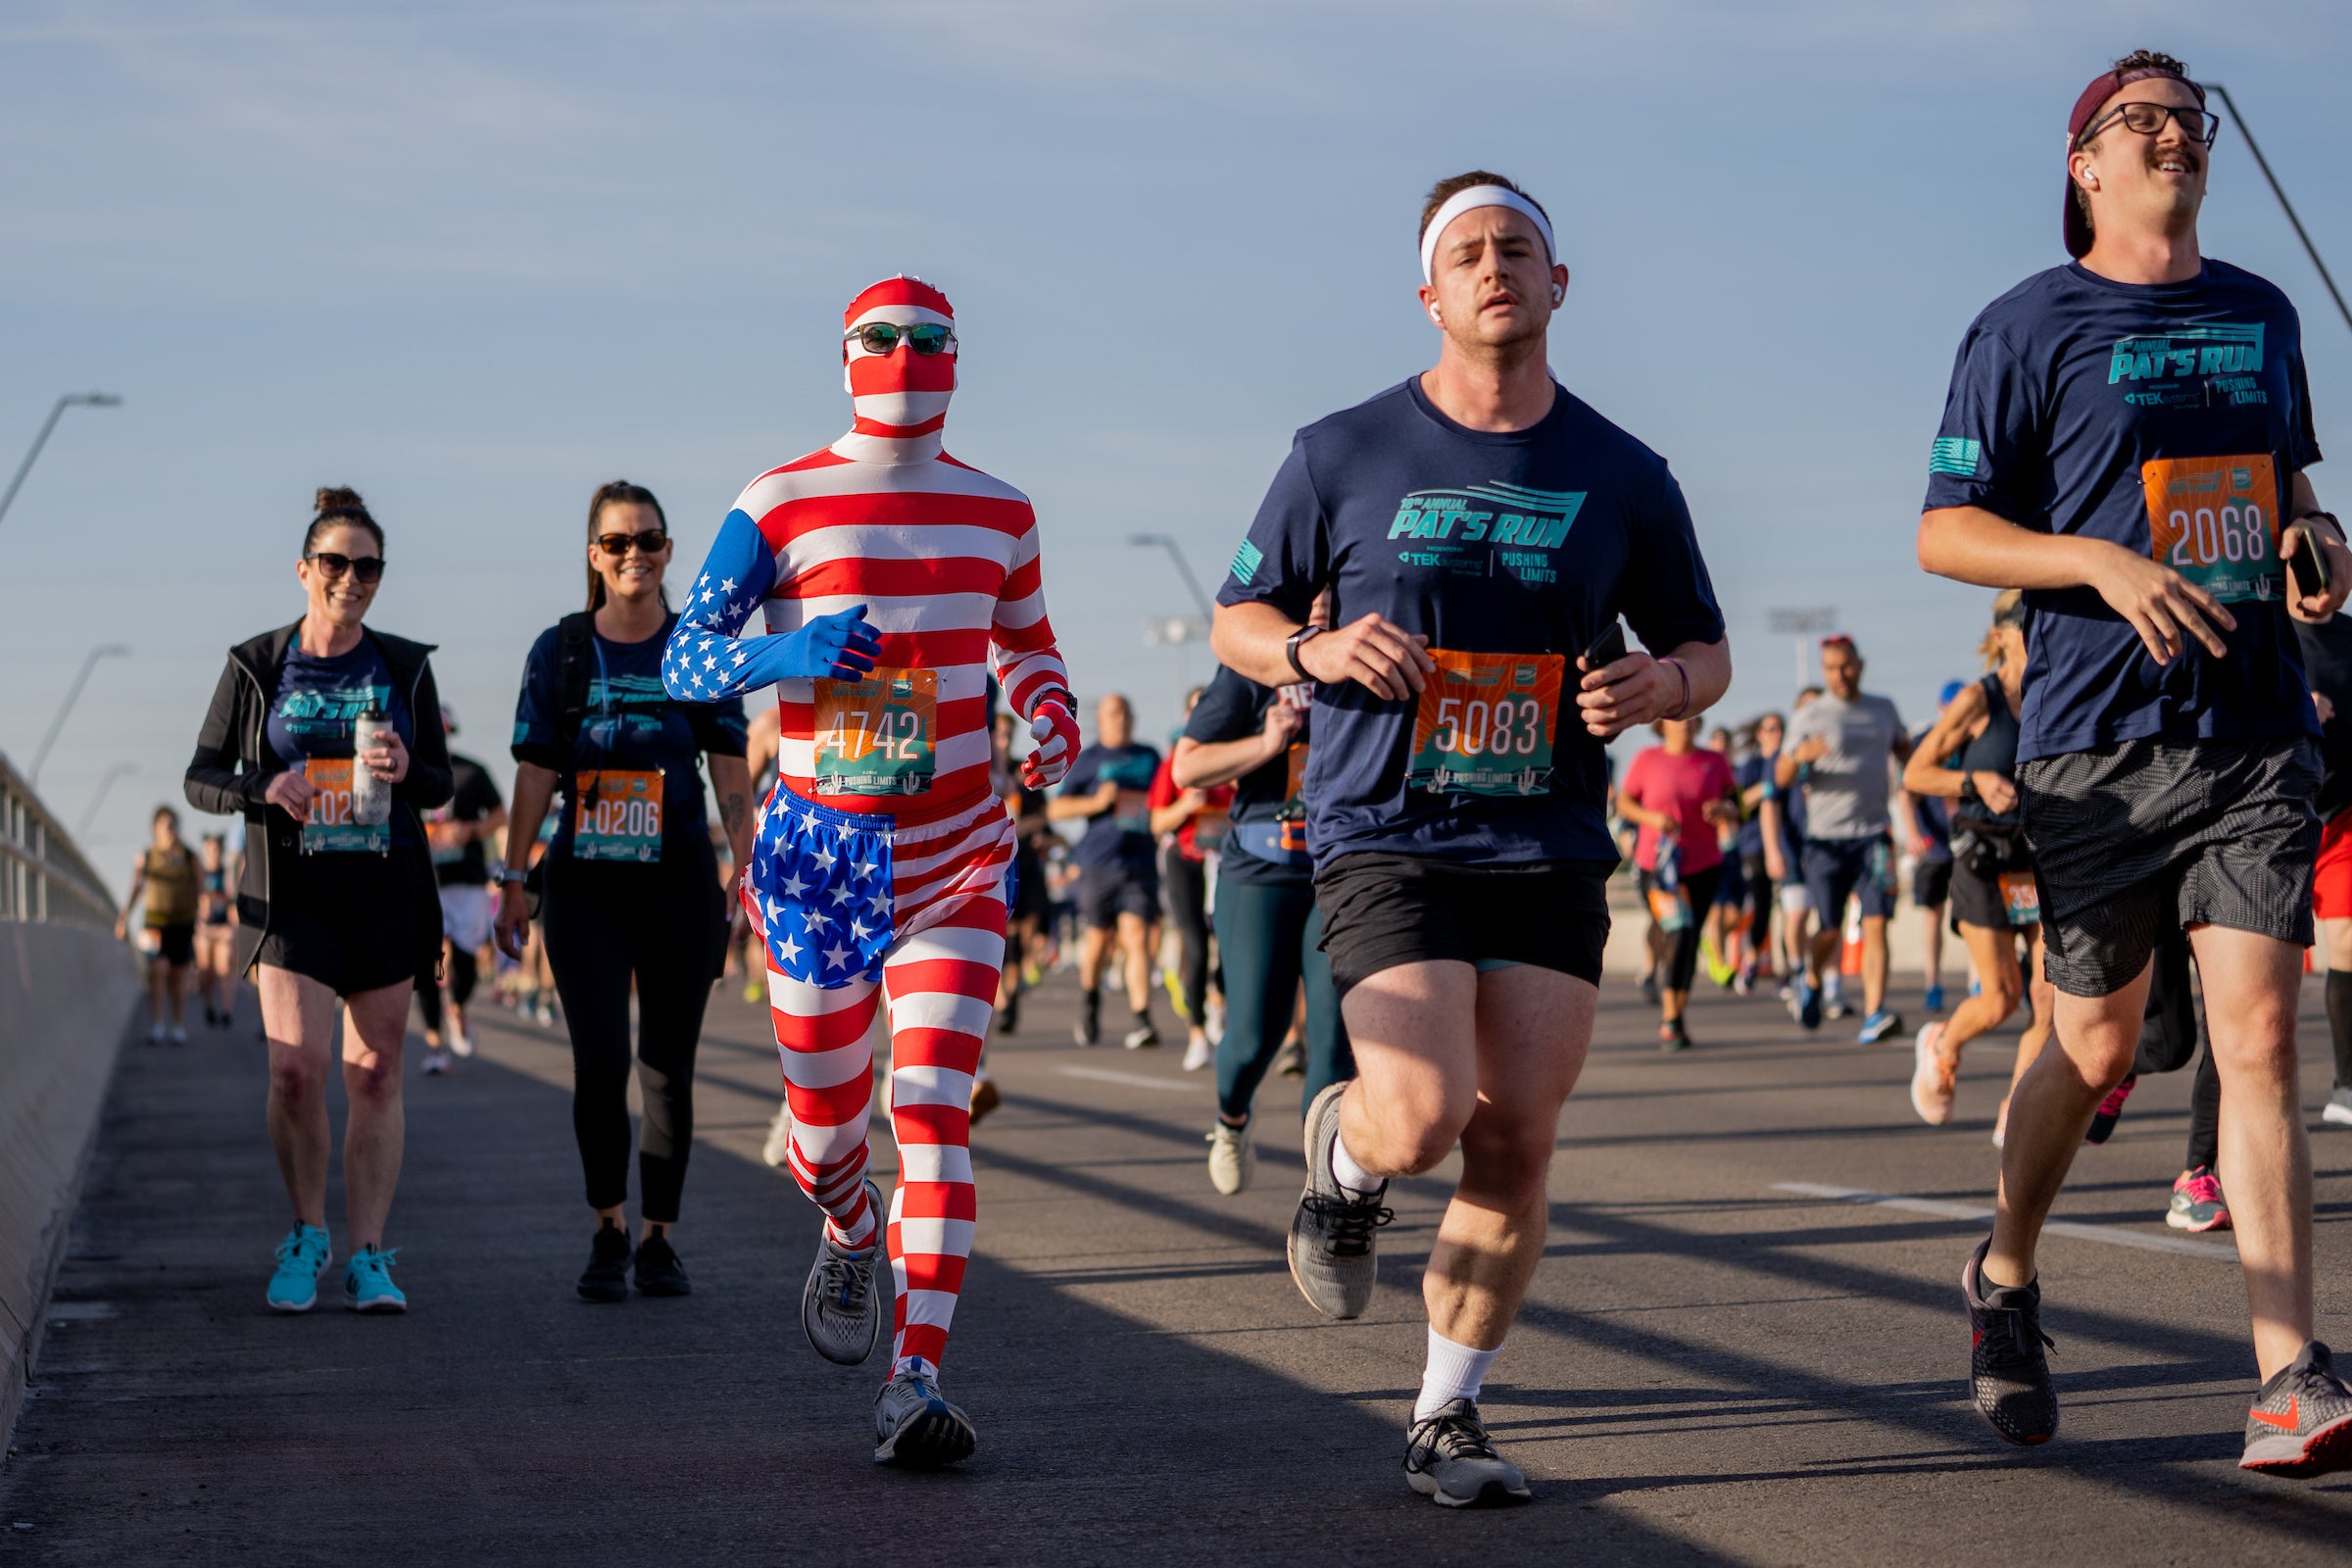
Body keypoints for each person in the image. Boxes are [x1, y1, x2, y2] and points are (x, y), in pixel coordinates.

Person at [1210, 171, 1729, 1506]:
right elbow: (1238, 621)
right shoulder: (1342, 451)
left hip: (1547, 839)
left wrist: (1660, 687)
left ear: (1560, 286)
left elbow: (1703, 647)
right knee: (1424, 1116)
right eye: (1468, 253)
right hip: (1388, 827)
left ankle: (1447, 1414)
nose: (1495, 267)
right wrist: (1316, 645)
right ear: (1430, 294)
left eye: (1519, 249)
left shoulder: (1625, 473)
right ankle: (1344, 1150)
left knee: (1515, 1146)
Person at [1918, 51, 2352, 1471]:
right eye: (2136, 120)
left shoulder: (2264, 314)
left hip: (2251, 731)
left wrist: (2316, 545)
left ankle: (2290, 1372)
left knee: (2258, 1041)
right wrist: (2096, 562)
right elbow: (1949, 531)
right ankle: (2006, 1275)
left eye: (2187, 117)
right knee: (2094, 1043)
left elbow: (2291, 485)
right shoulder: (2026, 324)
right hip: (2096, 744)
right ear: (2084, 167)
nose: (2171, 132)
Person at [659, 274, 1078, 1468]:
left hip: (959, 857)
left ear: (959, 357)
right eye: (879, 336)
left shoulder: (1002, 511)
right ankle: (849, 1225)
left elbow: (1029, 644)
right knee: (825, 1126)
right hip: (818, 864)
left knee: (933, 1111)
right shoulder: (781, 499)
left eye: (928, 338)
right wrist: (790, 646)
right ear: (844, 355)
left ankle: (917, 1376)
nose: (904, 353)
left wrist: (1050, 716)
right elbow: (688, 662)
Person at [184, 486, 452, 1314]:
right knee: (296, 1070)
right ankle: (306, 1233)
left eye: (367, 566)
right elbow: (200, 779)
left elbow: (439, 782)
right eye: (335, 563)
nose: (351, 578)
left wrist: (412, 772)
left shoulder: (402, 665)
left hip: (382, 889)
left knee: (374, 1074)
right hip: (293, 897)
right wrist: (266, 784)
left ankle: (369, 1252)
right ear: (304, 570)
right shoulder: (257, 664)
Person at [494, 480, 752, 1303]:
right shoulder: (562, 650)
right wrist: (511, 878)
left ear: (671, 551)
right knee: (600, 1064)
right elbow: (535, 772)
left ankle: (659, 1240)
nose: (633, 554)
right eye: (616, 543)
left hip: (678, 883)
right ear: (593, 555)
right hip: (584, 888)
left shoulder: (700, 651)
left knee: (667, 1070)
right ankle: (608, 1226)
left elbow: (732, 779)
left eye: (648, 540)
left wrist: (746, 867)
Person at [1176, 588, 1352, 1193]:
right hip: (1262, 865)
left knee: (1333, 1044)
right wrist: (1265, 745)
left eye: (1340, 595)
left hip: (1345, 869)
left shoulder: (1374, 661)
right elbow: (1187, 768)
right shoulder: (1252, 666)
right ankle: (1231, 1120)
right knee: (1252, 1037)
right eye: (1317, 597)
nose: (1326, 608)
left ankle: (1325, 1189)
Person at [1902, 593, 2054, 1130]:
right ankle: (1943, 1043)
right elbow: (1915, 774)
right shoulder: (1977, 700)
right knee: (1999, 1000)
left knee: (2048, 994)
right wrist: (1973, 781)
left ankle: (2018, 1112)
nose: (2035, 629)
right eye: (2023, 622)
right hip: (1984, 861)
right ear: (1998, 636)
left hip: (2034, 859)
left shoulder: (2054, 695)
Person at [1778, 635, 1912, 1041]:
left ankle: (1874, 1012)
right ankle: (1813, 978)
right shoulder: (1811, 714)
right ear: (1824, 671)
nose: (1840, 674)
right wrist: (1800, 757)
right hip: (1825, 841)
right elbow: (1780, 777)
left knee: (1876, 924)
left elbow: (1905, 749)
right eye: (1832, 668)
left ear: (1860, 664)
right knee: (1830, 929)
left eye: (1846, 666)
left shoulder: (1882, 709)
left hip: (1874, 835)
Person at [1616, 717, 1738, 1050]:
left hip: (1704, 864)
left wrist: (1724, 809)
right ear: (1661, 724)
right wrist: (1651, 818)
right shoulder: (1647, 759)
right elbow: (1624, 802)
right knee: (1678, 930)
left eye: (1691, 717)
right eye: (1677, 717)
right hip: (1658, 866)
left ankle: (1676, 1015)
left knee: (1691, 936)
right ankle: (1670, 1017)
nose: (1685, 723)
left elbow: (1735, 804)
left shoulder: (1714, 761)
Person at [1050, 695, 1163, 1049]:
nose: (1123, 719)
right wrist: (1096, 803)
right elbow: (1058, 810)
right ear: (1100, 720)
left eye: (1127, 712)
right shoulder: (1090, 760)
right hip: (1098, 863)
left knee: (1138, 937)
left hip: (1141, 860)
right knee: (1098, 941)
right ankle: (1090, 1003)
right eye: (1115, 713)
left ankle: (1142, 1018)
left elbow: (1164, 798)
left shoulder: (1150, 756)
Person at [416, 706, 506, 1075]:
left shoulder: (472, 771)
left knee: (466, 963)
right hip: (425, 883)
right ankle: (435, 1043)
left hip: (466, 882)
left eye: (443, 730)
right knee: (428, 963)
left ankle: (458, 1005)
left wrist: (469, 832)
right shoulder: (408, 772)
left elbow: (502, 815)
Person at [1150, 687, 1233, 1071]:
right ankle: (1197, 1032)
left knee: (1230, 946)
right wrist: (1186, 805)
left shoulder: (1234, 758)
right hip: (1184, 859)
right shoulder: (1175, 762)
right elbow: (1156, 823)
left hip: (1225, 859)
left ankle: (1220, 1003)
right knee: (1196, 946)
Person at [2299, 607, 2352, 1128]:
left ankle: (2346, 1083)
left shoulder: (2348, 636)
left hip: (2341, 818)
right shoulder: (2259, 627)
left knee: (2348, 941)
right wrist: (2296, 707)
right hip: (2273, 813)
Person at [118, 806, 201, 1045]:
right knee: (157, 971)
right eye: (167, 825)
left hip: (183, 922)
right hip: (154, 923)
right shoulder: (146, 856)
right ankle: (156, 1024)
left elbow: (201, 887)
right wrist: (123, 918)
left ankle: (177, 1025)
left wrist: (203, 913)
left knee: (179, 975)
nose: (172, 830)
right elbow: (135, 888)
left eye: (175, 825)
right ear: (155, 829)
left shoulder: (189, 856)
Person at [1913, 682, 1963, 1015]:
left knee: (1976, 916)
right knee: (1933, 914)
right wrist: (1915, 832)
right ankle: (1933, 982)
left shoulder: (1975, 736)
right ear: (1940, 706)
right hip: (1935, 844)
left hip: (1968, 841)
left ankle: (1979, 983)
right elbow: (1908, 788)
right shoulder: (1925, 740)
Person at [1733, 713, 1785, 993]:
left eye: (1780, 728)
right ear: (1760, 734)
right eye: (1771, 728)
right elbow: (1738, 802)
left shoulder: (1786, 764)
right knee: (1762, 906)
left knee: (1791, 909)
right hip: (1755, 846)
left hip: (1786, 844)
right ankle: (1751, 959)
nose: (1777, 733)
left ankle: (1785, 971)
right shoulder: (1752, 766)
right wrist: (1765, 790)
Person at [192, 832, 238, 1029]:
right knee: (206, 972)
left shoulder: (227, 874)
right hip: (204, 929)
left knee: (225, 968)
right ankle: (209, 1006)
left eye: (217, 849)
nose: (214, 853)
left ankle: (226, 1011)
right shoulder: (199, 873)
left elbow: (233, 900)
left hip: (223, 926)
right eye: (210, 849)